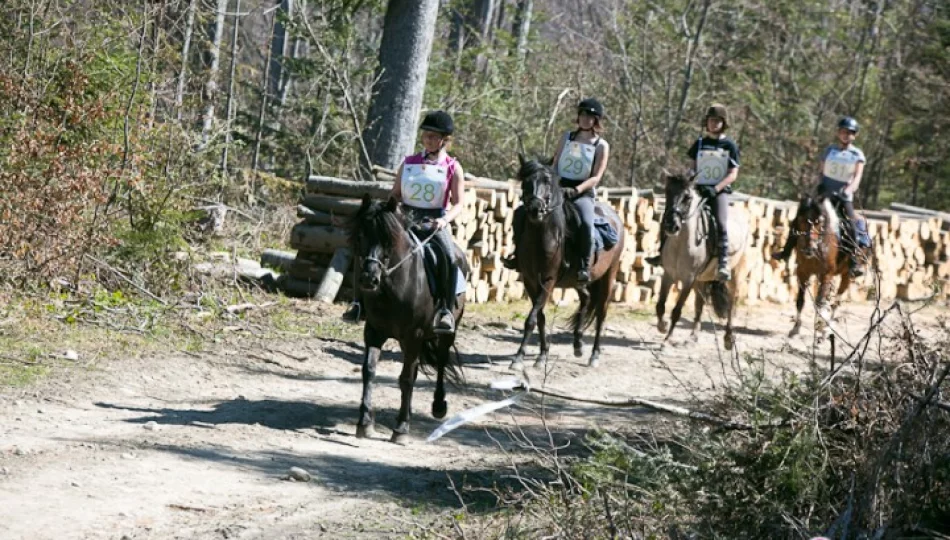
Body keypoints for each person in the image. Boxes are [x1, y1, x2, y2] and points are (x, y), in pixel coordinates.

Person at [342, 110, 466, 333]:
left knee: (449, 256)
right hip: (404, 218)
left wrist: (444, 219)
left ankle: (445, 311)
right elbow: (396, 193)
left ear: (444, 140)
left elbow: (458, 203)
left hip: (434, 221)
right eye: (426, 136)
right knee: (368, 249)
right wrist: (390, 209)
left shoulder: (453, 168)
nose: (427, 140)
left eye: (433, 137)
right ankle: (358, 303)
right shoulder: (408, 163)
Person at [503, 98, 611, 282]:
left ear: (596, 120)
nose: (585, 119)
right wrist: (550, 184)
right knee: (522, 212)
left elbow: (596, 177)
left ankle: (584, 266)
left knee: (585, 222)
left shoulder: (601, 145)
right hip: (557, 189)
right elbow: (555, 163)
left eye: (589, 116)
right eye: (582, 115)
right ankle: (518, 257)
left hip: (582, 193)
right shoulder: (567, 137)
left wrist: (576, 190)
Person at [646, 103, 740, 281]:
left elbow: (733, 174)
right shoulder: (700, 143)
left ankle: (722, 262)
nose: (713, 124)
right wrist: (689, 183)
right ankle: (661, 253)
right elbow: (692, 167)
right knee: (671, 213)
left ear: (723, 123)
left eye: (717, 121)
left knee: (720, 222)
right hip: (697, 188)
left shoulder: (730, 146)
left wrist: (716, 188)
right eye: (711, 121)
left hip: (718, 192)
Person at [772, 116, 866, 277]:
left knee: (851, 225)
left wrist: (849, 190)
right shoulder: (829, 151)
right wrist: (814, 189)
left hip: (843, 197)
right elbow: (821, 172)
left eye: (849, 133)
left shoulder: (857, 155)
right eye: (843, 132)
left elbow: (857, 177)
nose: (845, 135)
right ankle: (786, 251)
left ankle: (853, 262)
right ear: (838, 133)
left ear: (854, 135)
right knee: (800, 218)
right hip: (824, 194)